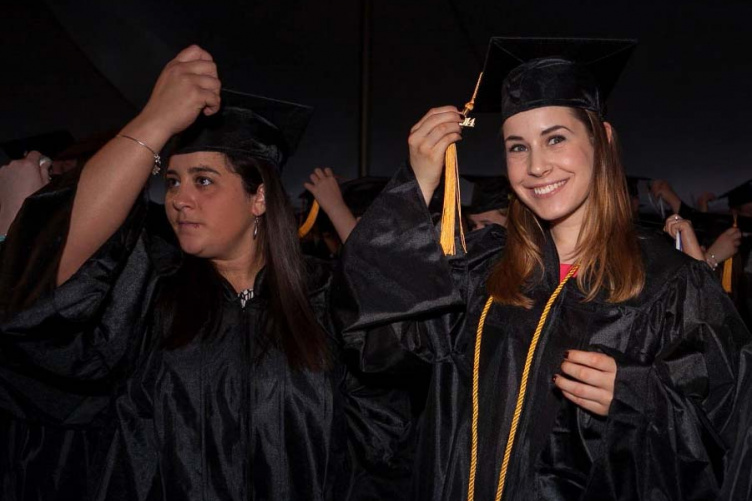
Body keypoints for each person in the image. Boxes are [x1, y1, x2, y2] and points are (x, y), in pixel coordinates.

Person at [333, 37, 752, 500]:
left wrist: (643, 398)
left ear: (603, 140)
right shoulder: (479, 274)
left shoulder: (671, 285)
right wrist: (415, 186)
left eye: (555, 138)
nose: (535, 166)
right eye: (517, 147)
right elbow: (375, 344)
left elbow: (731, 439)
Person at [0, 45, 411, 500]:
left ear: (258, 199)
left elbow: (376, 446)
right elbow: (48, 300)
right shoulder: (148, 294)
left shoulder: (327, 298)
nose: (178, 198)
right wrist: (154, 123)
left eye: (204, 180)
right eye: (172, 181)